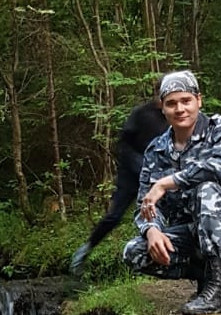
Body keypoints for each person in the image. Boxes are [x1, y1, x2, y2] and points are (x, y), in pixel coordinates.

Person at [121, 69, 221, 315]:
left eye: (186, 101)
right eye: (171, 103)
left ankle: (218, 288)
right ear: (163, 108)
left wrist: (167, 182)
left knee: (207, 190)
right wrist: (152, 230)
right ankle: (204, 278)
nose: (179, 109)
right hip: (189, 235)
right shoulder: (156, 150)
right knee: (134, 252)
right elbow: (146, 203)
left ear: (198, 100)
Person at [70, 98, 168, 274]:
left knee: (163, 212)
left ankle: (161, 257)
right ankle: (85, 250)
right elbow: (123, 144)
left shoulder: (169, 117)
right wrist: (139, 164)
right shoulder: (141, 113)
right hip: (130, 175)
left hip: (158, 176)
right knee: (114, 216)